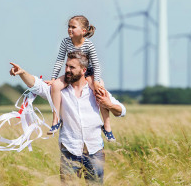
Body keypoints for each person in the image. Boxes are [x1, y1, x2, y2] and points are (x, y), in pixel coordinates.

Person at [9, 51, 126, 185]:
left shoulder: (95, 90)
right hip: (69, 150)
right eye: (66, 66)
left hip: (95, 151)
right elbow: (37, 85)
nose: (67, 70)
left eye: (72, 67)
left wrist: (108, 104)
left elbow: (121, 111)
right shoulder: (58, 91)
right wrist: (23, 73)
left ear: (83, 70)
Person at [45, 15, 116, 142]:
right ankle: (56, 119)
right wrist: (53, 78)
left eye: (73, 27)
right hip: (72, 72)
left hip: (87, 72)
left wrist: (96, 81)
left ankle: (107, 126)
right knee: (55, 86)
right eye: (69, 27)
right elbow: (60, 60)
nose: (70, 29)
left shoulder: (89, 45)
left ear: (83, 31)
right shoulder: (65, 42)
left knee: (100, 89)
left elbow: (96, 64)